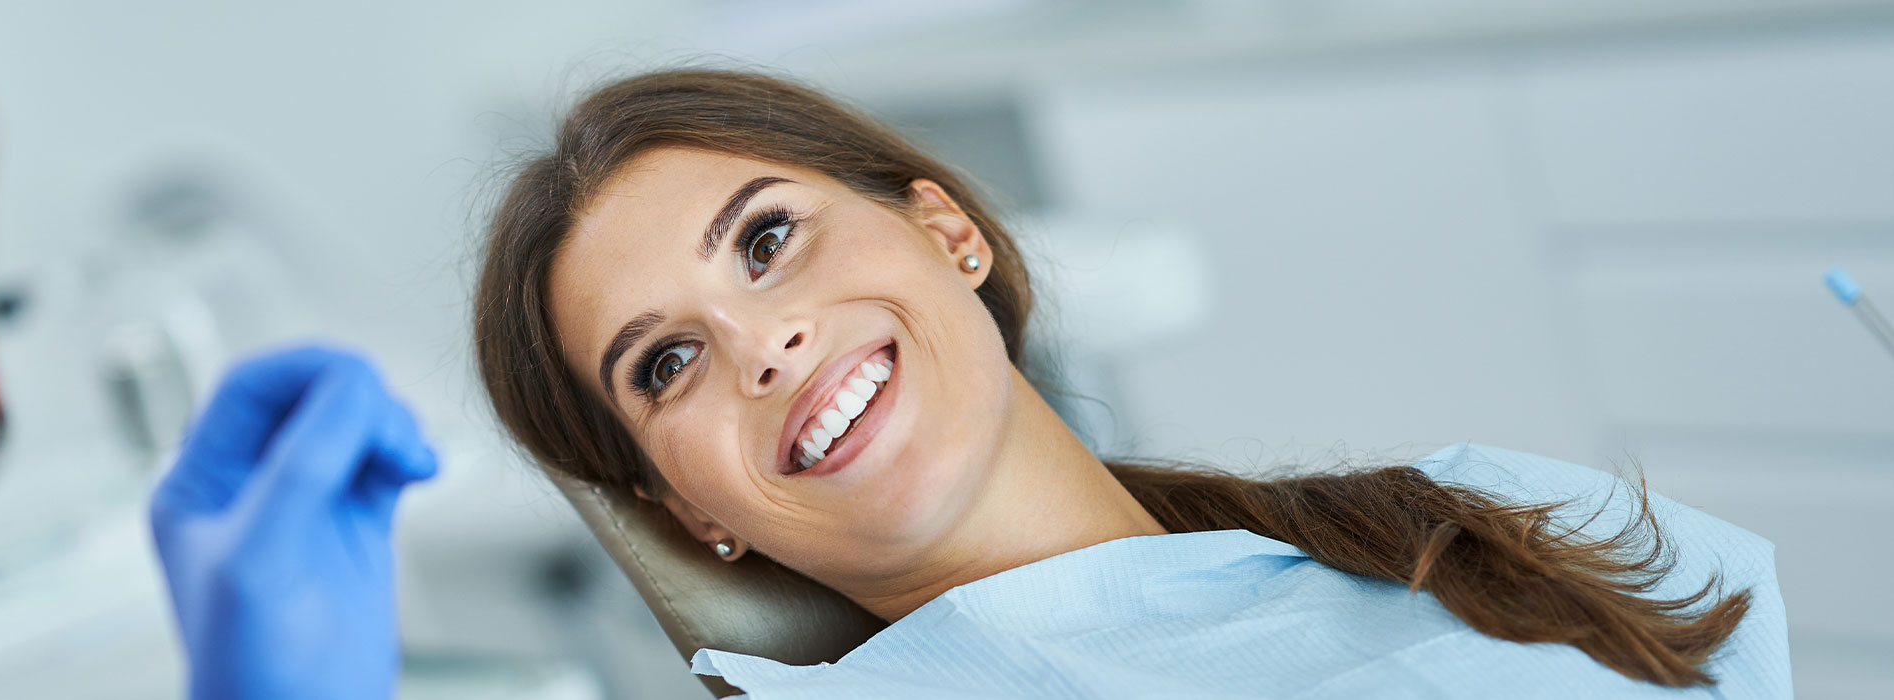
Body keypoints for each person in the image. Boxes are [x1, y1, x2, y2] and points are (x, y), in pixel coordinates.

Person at [152, 69, 1789, 699]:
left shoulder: (1477, 525)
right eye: (666, 365)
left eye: (769, 239)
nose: (761, 343)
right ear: (688, 512)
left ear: (949, 235)